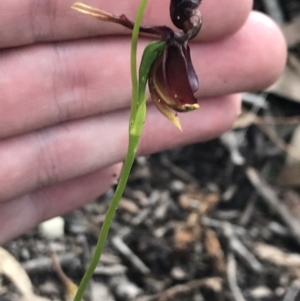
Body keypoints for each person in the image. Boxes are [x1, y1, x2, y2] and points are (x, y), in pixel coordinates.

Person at [0, 0, 286, 243]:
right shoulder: (170, 38)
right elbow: (134, 26)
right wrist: (109, 17)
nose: (194, 16)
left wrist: (113, 18)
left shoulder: (175, 38)